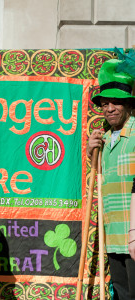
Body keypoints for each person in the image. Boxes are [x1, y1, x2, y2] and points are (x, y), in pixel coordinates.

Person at [87, 58, 135, 299]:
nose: (109, 108)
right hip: (114, 234)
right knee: (124, 294)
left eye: (116, 102)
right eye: (105, 103)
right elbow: (101, 177)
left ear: (127, 104)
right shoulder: (105, 138)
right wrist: (92, 152)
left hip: (134, 235)